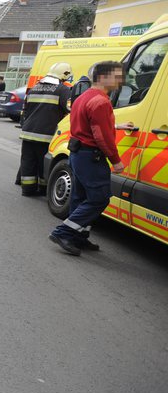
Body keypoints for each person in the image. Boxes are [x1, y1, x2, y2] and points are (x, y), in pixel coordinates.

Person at [49, 62, 125, 255]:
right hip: (91, 156)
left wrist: (116, 125)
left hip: (79, 154)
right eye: (117, 76)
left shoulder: (84, 97)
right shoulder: (101, 101)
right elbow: (101, 135)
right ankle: (64, 232)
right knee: (99, 199)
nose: (120, 81)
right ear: (104, 77)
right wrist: (115, 160)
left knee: (80, 197)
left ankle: (79, 237)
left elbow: (89, 125)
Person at [18, 62, 72, 196]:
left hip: (28, 132)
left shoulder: (34, 88)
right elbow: (71, 109)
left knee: (28, 161)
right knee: (43, 163)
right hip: (46, 134)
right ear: (64, 75)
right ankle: (43, 189)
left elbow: (26, 110)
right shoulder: (62, 90)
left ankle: (27, 189)